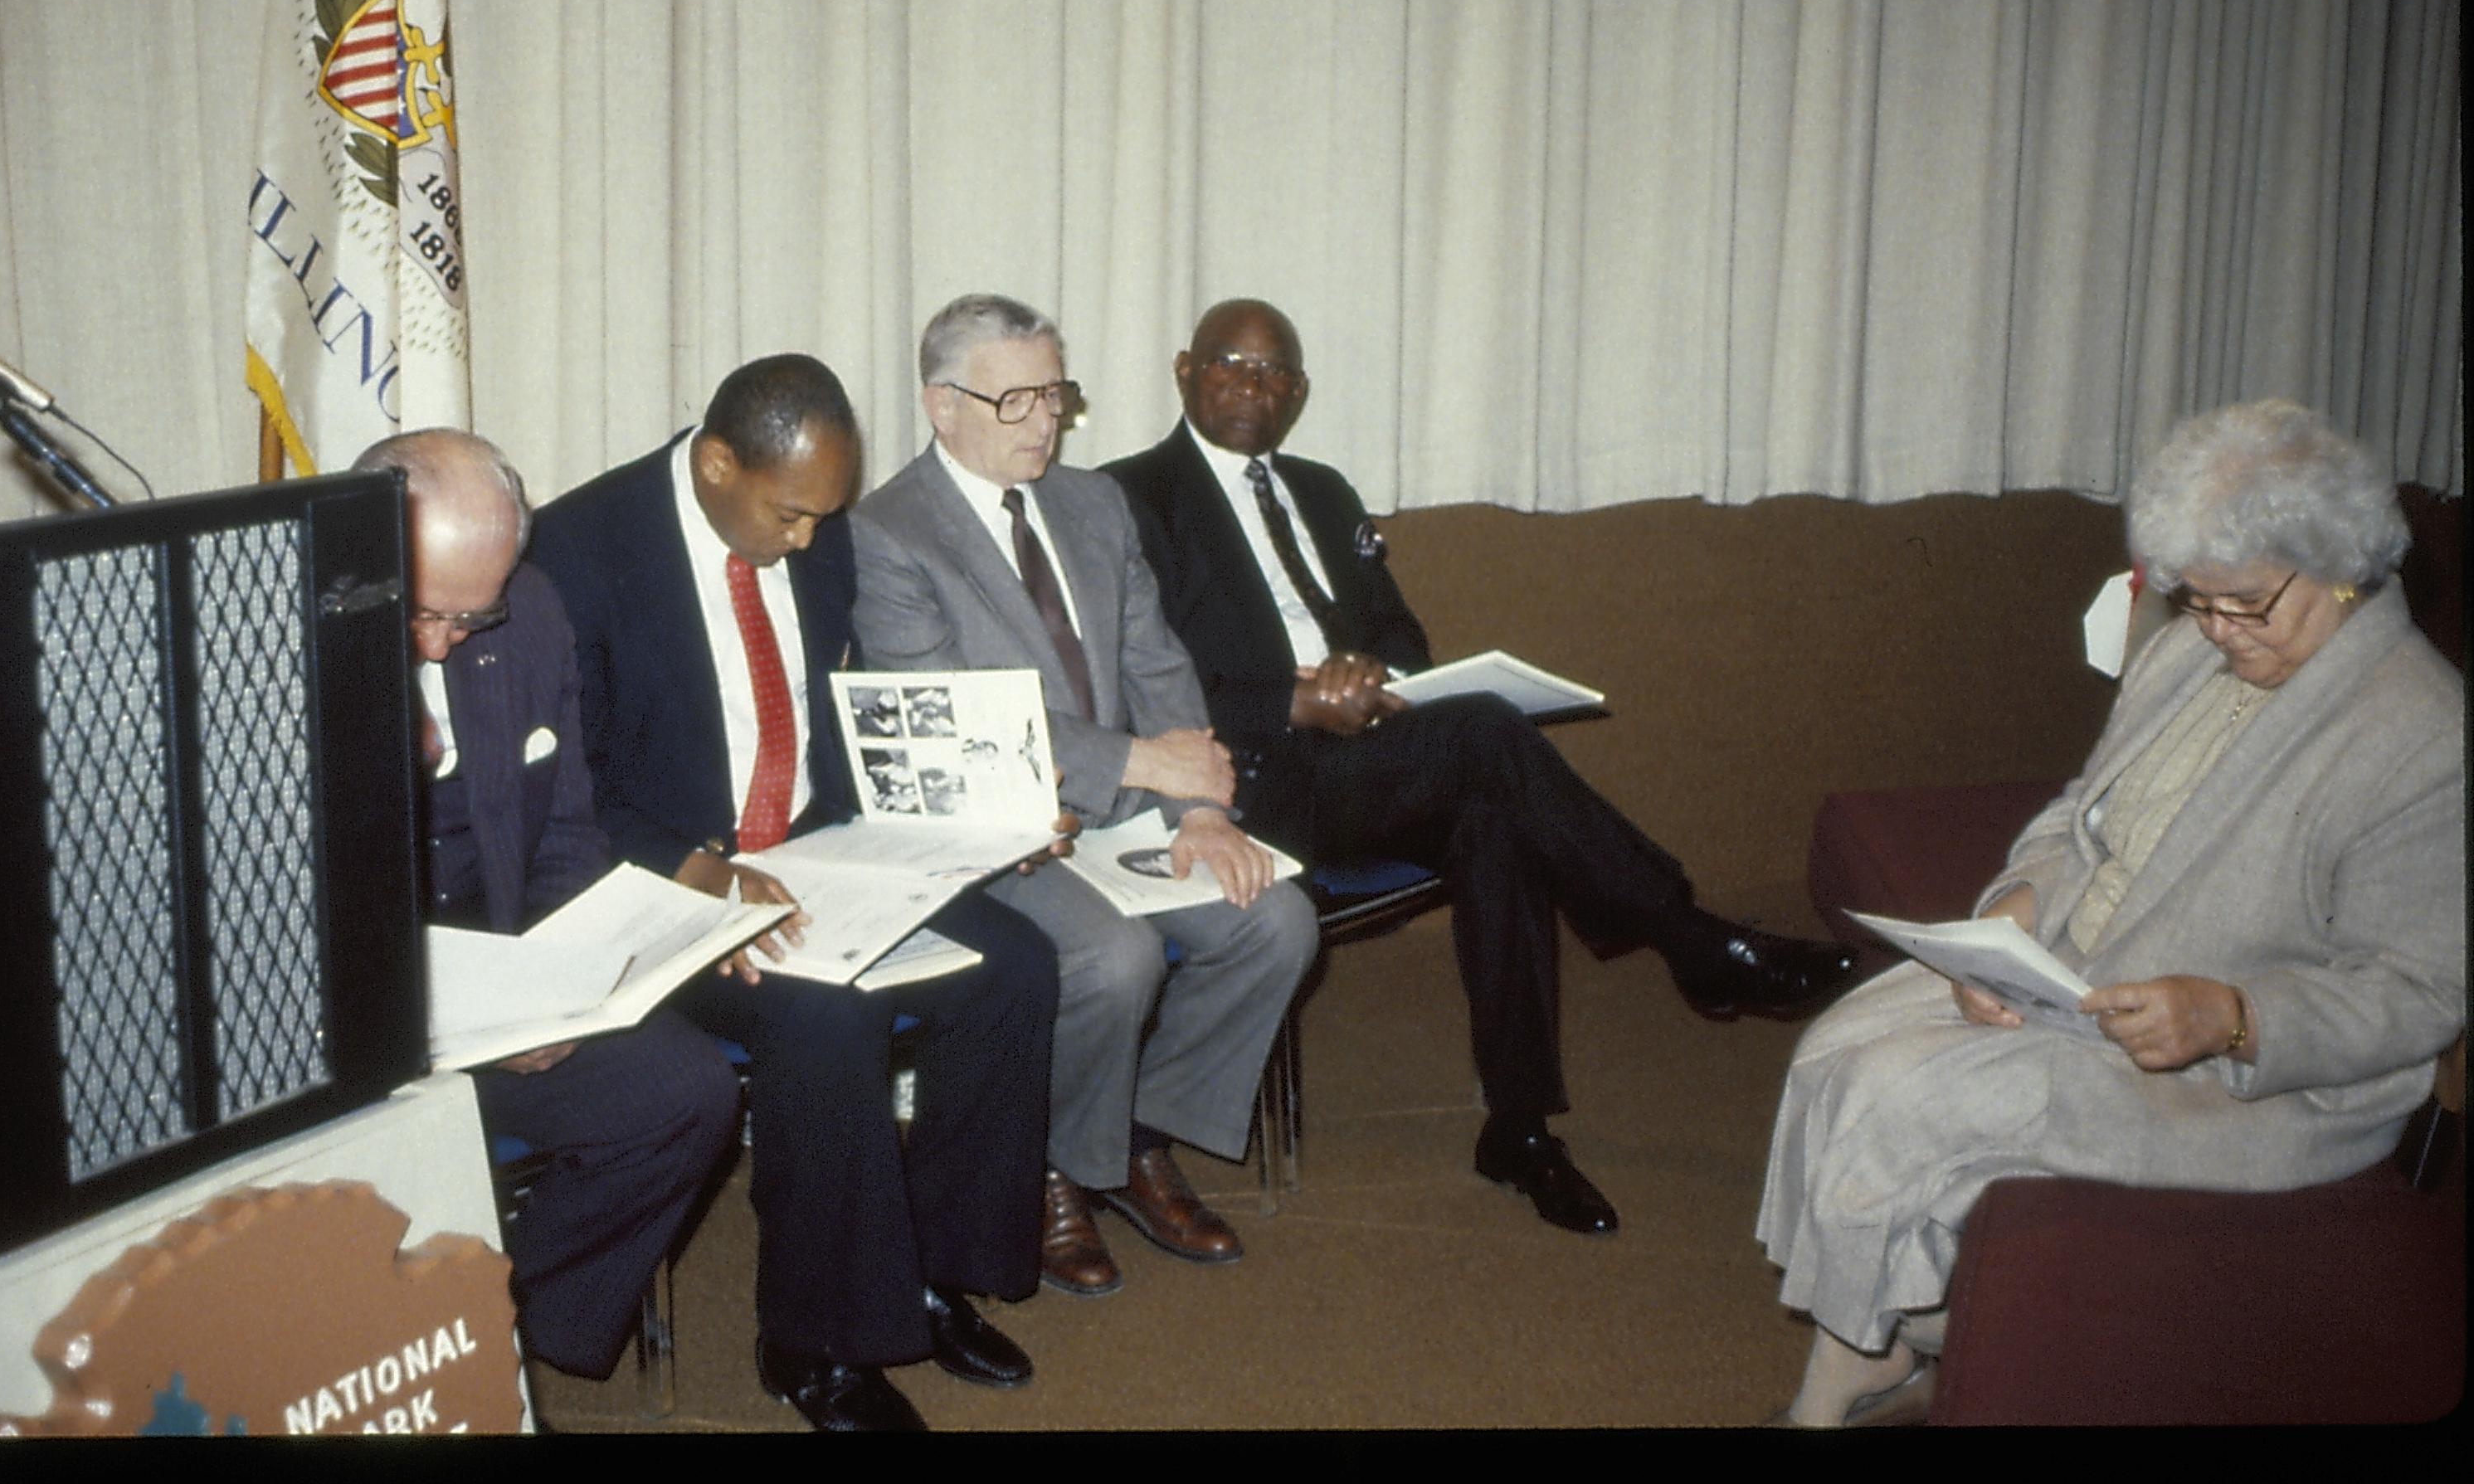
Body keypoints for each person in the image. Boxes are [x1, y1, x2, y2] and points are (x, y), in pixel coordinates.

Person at [1756, 399, 2465, 1428]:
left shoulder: (2426, 739)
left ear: (2344, 567)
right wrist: (2012, 914)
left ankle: (1851, 1370)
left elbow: (2420, 997)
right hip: (2092, 975)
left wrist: (2231, 1015)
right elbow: (2079, 812)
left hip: (2253, 1079)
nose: (2215, 630)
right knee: (1835, 1052)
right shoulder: (2191, 650)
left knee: (1907, 1103)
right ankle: (1892, 1333)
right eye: (2197, 598)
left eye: (2246, 605)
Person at [1103, 299, 1862, 1234]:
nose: (1251, 386)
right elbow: (1137, 673)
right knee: (1487, 738)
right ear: (1185, 371)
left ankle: (1520, 1129)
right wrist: (1295, 699)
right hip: (1240, 782)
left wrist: (1372, 674)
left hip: (1365, 764)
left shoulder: (1325, 490)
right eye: (1229, 362)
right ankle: (1689, 938)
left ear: (1298, 393)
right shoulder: (1126, 498)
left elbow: (1401, 637)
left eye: (1273, 373)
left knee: (1493, 819)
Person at [524, 355, 1061, 1433]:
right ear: (718, 464)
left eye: (825, 516)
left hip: (812, 850)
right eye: (791, 516)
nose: (812, 542)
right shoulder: (581, 551)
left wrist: (979, 803)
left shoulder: (809, 524)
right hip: (661, 883)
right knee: (823, 1013)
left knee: (1015, 965)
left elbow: (835, 724)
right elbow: (557, 787)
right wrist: (695, 867)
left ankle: (930, 1273)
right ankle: (811, 1340)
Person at [850, 294, 1321, 1298]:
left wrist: (1202, 809)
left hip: (1132, 808)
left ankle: (1136, 1137)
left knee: (1274, 919)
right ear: (941, 404)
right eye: (1014, 399)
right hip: (994, 826)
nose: (1044, 421)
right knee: (1112, 957)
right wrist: (1146, 768)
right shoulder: (888, 533)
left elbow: (1156, 660)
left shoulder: (1094, 503)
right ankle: (1054, 1167)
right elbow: (959, 718)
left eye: (1054, 394)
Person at [353, 428, 742, 1389]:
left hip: (502, 974)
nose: (443, 643)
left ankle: (502, 1338)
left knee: (687, 1095)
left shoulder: (525, 614)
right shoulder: (281, 643)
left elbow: (566, 832)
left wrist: (556, 988)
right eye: (425, 613)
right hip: (364, 1015)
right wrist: (457, 1021)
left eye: (468, 620)